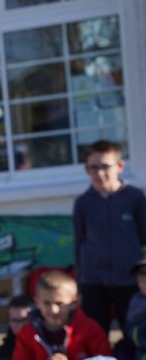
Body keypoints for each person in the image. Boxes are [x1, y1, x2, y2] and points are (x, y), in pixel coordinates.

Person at [73, 139, 146, 338]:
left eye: (105, 166)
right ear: (86, 169)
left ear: (120, 166)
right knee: (96, 335)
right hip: (93, 282)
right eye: (93, 167)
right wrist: (79, 284)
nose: (99, 173)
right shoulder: (83, 203)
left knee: (132, 333)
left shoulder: (135, 197)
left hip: (128, 280)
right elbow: (79, 244)